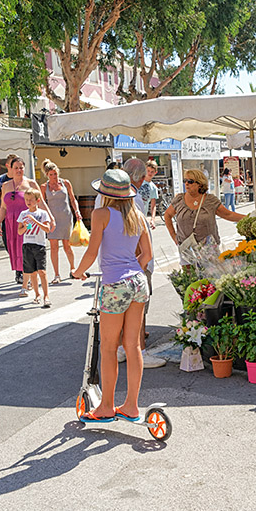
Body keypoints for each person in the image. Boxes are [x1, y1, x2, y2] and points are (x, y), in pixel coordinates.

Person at [72, 168, 152, 422]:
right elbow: (146, 255)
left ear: (104, 193)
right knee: (133, 345)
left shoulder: (100, 214)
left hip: (115, 284)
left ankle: (106, 406)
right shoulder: (138, 215)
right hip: (138, 284)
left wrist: (77, 272)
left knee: (108, 347)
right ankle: (131, 406)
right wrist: (130, 272)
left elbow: (92, 250)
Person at [119, 157, 166, 369]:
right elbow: (136, 235)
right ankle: (140, 351)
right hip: (134, 262)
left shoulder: (108, 197)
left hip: (116, 264)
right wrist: (142, 262)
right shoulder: (133, 197)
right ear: (136, 179)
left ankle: (122, 349)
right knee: (139, 309)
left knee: (123, 309)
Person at [163, 169, 245, 267]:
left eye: (190, 181)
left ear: (200, 184)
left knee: (212, 278)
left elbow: (228, 214)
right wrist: (174, 235)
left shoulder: (210, 200)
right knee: (190, 279)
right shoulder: (180, 199)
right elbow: (167, 215)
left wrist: (249, 217)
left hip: (209, 249)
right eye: (185, 181)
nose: (186, 184)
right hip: (187, 248)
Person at [0, 156, 54, 291]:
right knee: (14, 250)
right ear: (10, 169)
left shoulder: (31, 183)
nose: (18, 170)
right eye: (16, 168)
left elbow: (42, 202)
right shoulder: (5, 186)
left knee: (26, 249)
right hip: (11, 223)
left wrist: (50, 218)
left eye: (21, 167)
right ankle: (23, 275)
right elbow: (3, 207)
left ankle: (28, 279)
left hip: (27, 223)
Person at [41, 159, 81, 283]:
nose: (54, 177)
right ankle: (57, 275)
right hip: (52, 219)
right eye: (51, 175)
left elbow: (73, 199)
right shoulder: (44, 187)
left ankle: (73, 268)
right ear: (47, 175)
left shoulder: (65, 183)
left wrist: (77, 211)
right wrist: (44, 219)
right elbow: (42, 203)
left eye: (55, 174)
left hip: (65, 217)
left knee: (67, 245)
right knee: (53, 247)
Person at [17, 189, 52, 306]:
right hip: (27, 245)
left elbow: (47, 229)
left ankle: (46, 296)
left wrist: (35, 221)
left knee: (42, 271)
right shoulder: (23, 214)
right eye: (26, 200)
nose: (28, 202)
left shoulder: (42, 214)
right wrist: (25, 227)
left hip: (39, 245)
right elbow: (20, 232)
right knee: (32, 272)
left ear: (37, 201)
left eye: (31, 200)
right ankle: (37, 294)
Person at [0, 154, 19, 283]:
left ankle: (22, 272)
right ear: (8, 166)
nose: (18, 169)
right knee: (10, 246)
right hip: (7, 219)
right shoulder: (0, 181)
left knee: (24, 244)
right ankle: (19, 268)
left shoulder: (25, 181)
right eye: (14, 165)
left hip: (23, 220)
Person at [138, 159, 159, 228]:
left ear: (155, 172)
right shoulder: (137, 181)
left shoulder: (154, 188)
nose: (150, 173)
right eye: (148, 171)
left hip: (143, 216)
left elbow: (153, 206)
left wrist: (152, 219)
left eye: (152, 172)